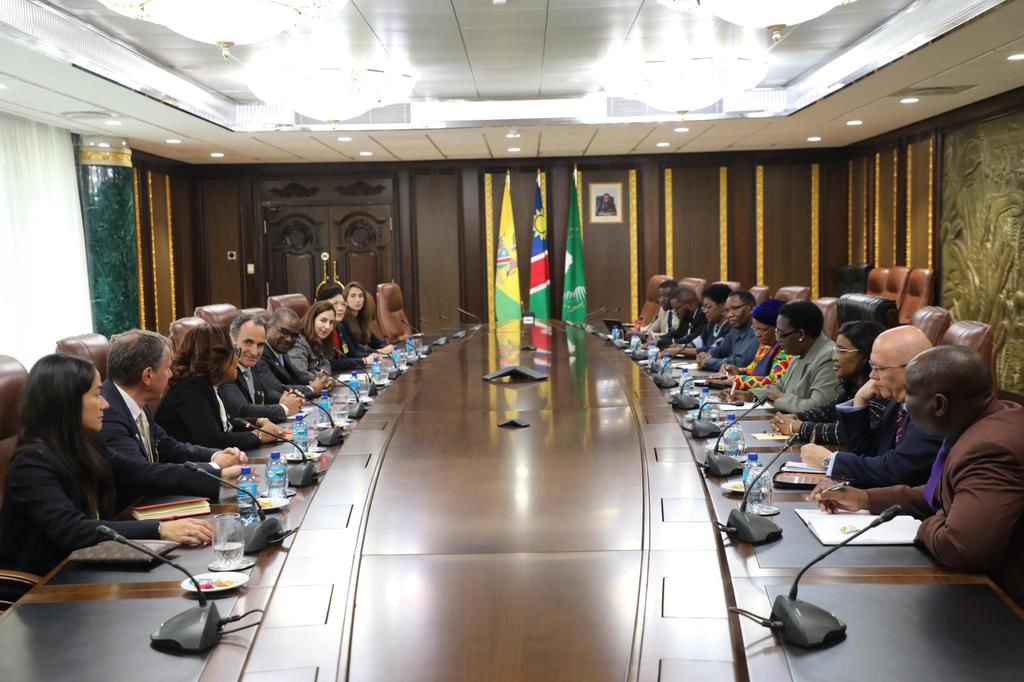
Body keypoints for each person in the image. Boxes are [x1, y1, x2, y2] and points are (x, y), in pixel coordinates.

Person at [811, 346, 1024, 606]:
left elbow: (961, 549)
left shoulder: (989, 449)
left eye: (909, 396)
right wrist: (865, 498)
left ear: (938, 404)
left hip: (1004, 605)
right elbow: (938, 493)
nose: (904, 405)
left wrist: (925, 525)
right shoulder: (984, 420)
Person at [0, 354, 214, 578]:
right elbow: (73, 529)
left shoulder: (88, 442)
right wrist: (160, 529)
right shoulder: (31, 464)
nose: (106, 404)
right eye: (97, 395)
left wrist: (216, 476)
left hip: (92, 565)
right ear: (67, 402)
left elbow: (138, 471)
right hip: (46, 586)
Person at [799, 325, 942, 488]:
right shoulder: (898, 401)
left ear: (911, 368)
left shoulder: (933, 408)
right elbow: (865, 453)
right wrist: (859, 400)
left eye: (878, 368)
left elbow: (899, 470)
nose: (871, 376)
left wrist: (830, 461)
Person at [156, 323, 284, 450]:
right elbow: (214, 441)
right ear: (217, 356)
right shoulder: (190, 389)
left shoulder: (207, 383)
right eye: (234, 351)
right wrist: (259, 435)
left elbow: (226, 423)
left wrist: (259, 422)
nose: (237, 358)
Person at [770, 320, 885, 443]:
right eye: (835, 350)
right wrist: (796, 417)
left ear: (864, 356)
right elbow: (829, 411)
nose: (834, 357)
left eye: (842, 351)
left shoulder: (880, 391)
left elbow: (849, 432)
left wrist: (799, 427)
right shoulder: (852, 386)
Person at [750, 300, 838, 413]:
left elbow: (818, 408)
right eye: (776, 332)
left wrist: (779, 397)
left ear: (801, 334)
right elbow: (779, 385)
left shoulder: (828, 356)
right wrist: (750, 394)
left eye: (781, 334)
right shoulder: (799, 350)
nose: (777, 339)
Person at [220, 312, 304, 422]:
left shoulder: (252, 364)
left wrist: (287, 399)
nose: (255, 352)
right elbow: (241, 410)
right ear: (232, 340)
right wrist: (284, 408)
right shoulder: (225, 369)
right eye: (248, 342)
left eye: (260, 345)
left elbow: (266, 393)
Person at [711, 298, 790, 391]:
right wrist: (738, 371)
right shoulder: (765, 345)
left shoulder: (787, 349)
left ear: (779, 328)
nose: (757, 334)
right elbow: (753, 369)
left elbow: (774, 381)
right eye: (755, 329)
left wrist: (734, 380)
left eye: (763, 330)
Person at [256, 307, 332, 401]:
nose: (289, 339)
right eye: (284, 332)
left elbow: (297, 376)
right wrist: (311, 389)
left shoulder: (280, 351)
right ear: (268, 328)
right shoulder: (259, 354)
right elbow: (276, 388)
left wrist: (321, 381)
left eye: (294, 335)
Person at [315, 284, 378, 371]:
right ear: (322, 305)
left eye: (343, 304)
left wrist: (373, 355)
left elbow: (350, 353)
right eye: (335, 304)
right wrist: (363, 361)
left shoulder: (339, 327)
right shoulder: (320, 330)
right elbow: (328, 363)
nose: (340, 308)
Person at [697, 289, 759, 371]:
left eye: (735, 308)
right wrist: (707, 355)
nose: (729, 315)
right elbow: (720, 349)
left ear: (750, 308)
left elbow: (741, 363)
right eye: (727, 311)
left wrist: (708, 362)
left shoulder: (758, 330)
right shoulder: (735, 329)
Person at [668, 283, 732, 359]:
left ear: (722, 305)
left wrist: (679, 350)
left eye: (708, 307)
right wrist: (681, 346)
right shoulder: (711, 324)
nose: (705, 311)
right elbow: (697, 343)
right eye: (704, 307)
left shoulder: (730, 327)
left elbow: (712, 350)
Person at [288, 301, 339, 384]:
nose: (327, 326)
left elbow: (326, 366)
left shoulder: (317, 339)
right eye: (323, 320)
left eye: (331, 322)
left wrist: (316, 374)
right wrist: (323, 379)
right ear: (312, 319)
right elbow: (301, 376)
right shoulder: (298, 341)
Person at [340, 282, 393, 357]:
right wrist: (377, 352)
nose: (357, 300)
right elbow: (353, 352)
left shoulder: (361, 319)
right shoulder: (343, 322)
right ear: (345, 301)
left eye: (360, 296)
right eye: (353, 296)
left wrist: (387, 348)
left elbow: (377, 342)